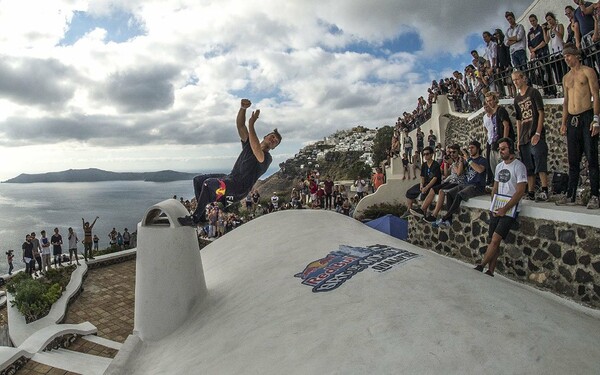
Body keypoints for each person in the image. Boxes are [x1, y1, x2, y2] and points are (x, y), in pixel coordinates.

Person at [179, 99, 281, 226]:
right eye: (272, 136)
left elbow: (257, 152)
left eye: (276, 141)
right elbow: (240, 126)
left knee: (207, 184)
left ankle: (194, 218)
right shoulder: (250, 144)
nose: (273, 139)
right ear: (265, 136)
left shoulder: (267, 158)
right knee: (198, 180)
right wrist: (243, 109)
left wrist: (252, 124)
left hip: (238, 188)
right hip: (230, 179)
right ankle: (201, 216)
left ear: (274, 148)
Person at [474, 138, 527, 277]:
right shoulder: (498, 167)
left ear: (510, 149)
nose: (501, 151)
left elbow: (520, 191)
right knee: (492, 240)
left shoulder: (519, 166)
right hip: (497, 206)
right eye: (499, 149)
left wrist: (506, 208)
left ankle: (481, 265)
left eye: (503, 148)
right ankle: (491, 270)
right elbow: (495, 187)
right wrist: (493, 204)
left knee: (496, 239)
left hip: (510, 209)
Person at [559, 43, 600, 208]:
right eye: (564, 57)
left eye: (568, 55)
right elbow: (566, 102)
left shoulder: (588, 71)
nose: (566, 59)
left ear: (576, 55)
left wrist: (596, 119)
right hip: (572, 119)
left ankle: (595, 195)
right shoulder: (566, 78)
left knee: (591, 158)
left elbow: (596, 95)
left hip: (587, 116)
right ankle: (571, 194)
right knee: (573, 160)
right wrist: (563, 122)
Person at [512, 69, 550, 202]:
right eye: (513, 80)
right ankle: (531, 191)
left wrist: (538, 132)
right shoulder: (516, 99)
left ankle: (545, 189)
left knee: (540, 160)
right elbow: (518, 119)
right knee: (528, 166)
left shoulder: (533, 92)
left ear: (523, 78)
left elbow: (541, 112)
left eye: (517, 79)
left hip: (534, 131)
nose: (515, 82)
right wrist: (518, 137)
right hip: (524, 135)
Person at [432, 140, 488, 227]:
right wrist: (456, 161)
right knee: (450, 194)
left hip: (477, 186)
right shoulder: (467, 161)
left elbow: (480, 170)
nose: (470, 150)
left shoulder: (482, 160)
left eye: (472, 148)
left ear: (478, 148)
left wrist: (468, 159)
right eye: (469, 148)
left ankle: (445, 218)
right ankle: (449, 221)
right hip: (466, 184)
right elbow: (459, 172)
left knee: (459, 195)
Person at [403, 146, 441, 217]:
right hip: (425, 183)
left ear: (432, 154)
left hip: (434, 184)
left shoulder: (435, 165)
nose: (425, 156)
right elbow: (422, 176)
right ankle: (409, 209)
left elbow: (435, 178)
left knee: (425, 193)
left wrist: (426, 187)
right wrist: (421, 185)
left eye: (427, 154)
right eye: (424, 154)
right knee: (409, 192)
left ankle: (423, 212)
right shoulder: (424, 164)